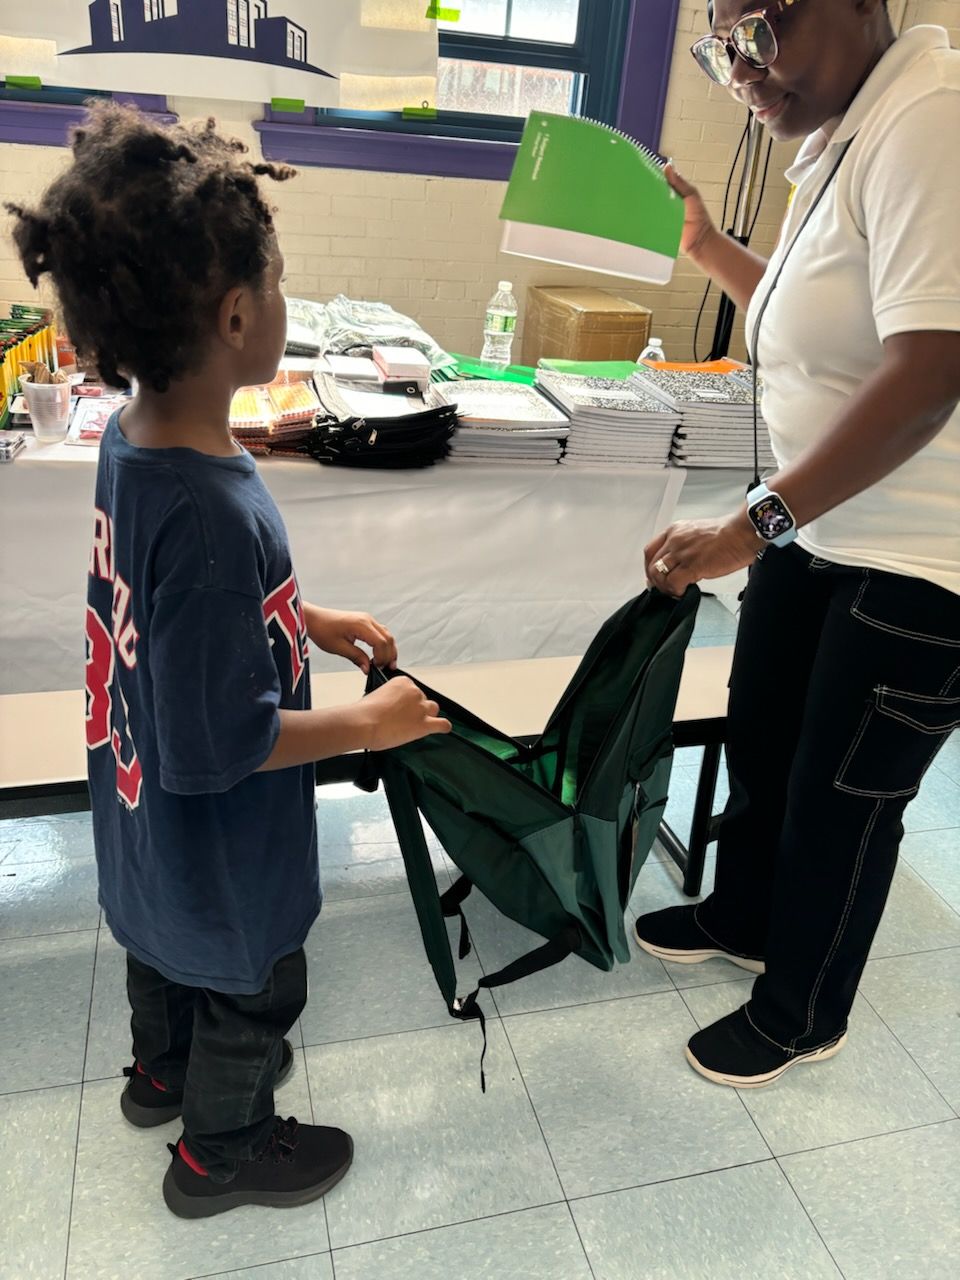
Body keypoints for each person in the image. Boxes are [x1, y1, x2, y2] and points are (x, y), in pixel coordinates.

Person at [6, 103, 452, 1218]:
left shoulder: (131, 438)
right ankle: (223, 1148)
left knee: (159, 950)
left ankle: (163, 1073)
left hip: (138, 810)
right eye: (283, 283)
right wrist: (367, 724)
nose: (287, 303)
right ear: (240, 313)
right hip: (217, 841)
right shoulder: (210, 510)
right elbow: (222, 742)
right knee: (253, 985)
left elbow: (180, 618)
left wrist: (312, 617)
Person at [635, 0, 960, 1087]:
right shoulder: (843, 131)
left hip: (917, 559)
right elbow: (822, 319)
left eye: (760, 33)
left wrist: (751, 520)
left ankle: (802, 1010)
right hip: (819, 525)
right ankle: (743, 915)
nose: (743, 72)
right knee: (765, 739)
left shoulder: (932, 118)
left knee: (842, 794)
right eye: (721, 47)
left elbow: (925, 375)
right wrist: (710, 249)